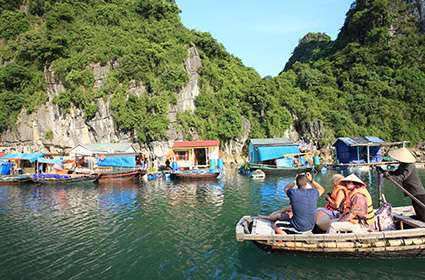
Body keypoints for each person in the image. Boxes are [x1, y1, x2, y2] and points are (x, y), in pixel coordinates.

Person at [261, 172, 325, 234]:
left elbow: (286, 188)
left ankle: (286, 240)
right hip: (311, 226)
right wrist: (311, 180)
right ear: (306, 183)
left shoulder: (293, 193)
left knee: (276, 225)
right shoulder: (313, 192)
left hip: (299, 228)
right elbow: (322, 189)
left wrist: (295, 181)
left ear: (297, 184)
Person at [384, 147, 425, 222]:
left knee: (422, 214)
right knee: (418, 211)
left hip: (418, 192)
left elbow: (402, 177)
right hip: (411, 192)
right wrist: (387, 172)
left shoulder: (410, 165)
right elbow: (396, 173)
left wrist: (390, 177)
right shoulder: (402, 165)